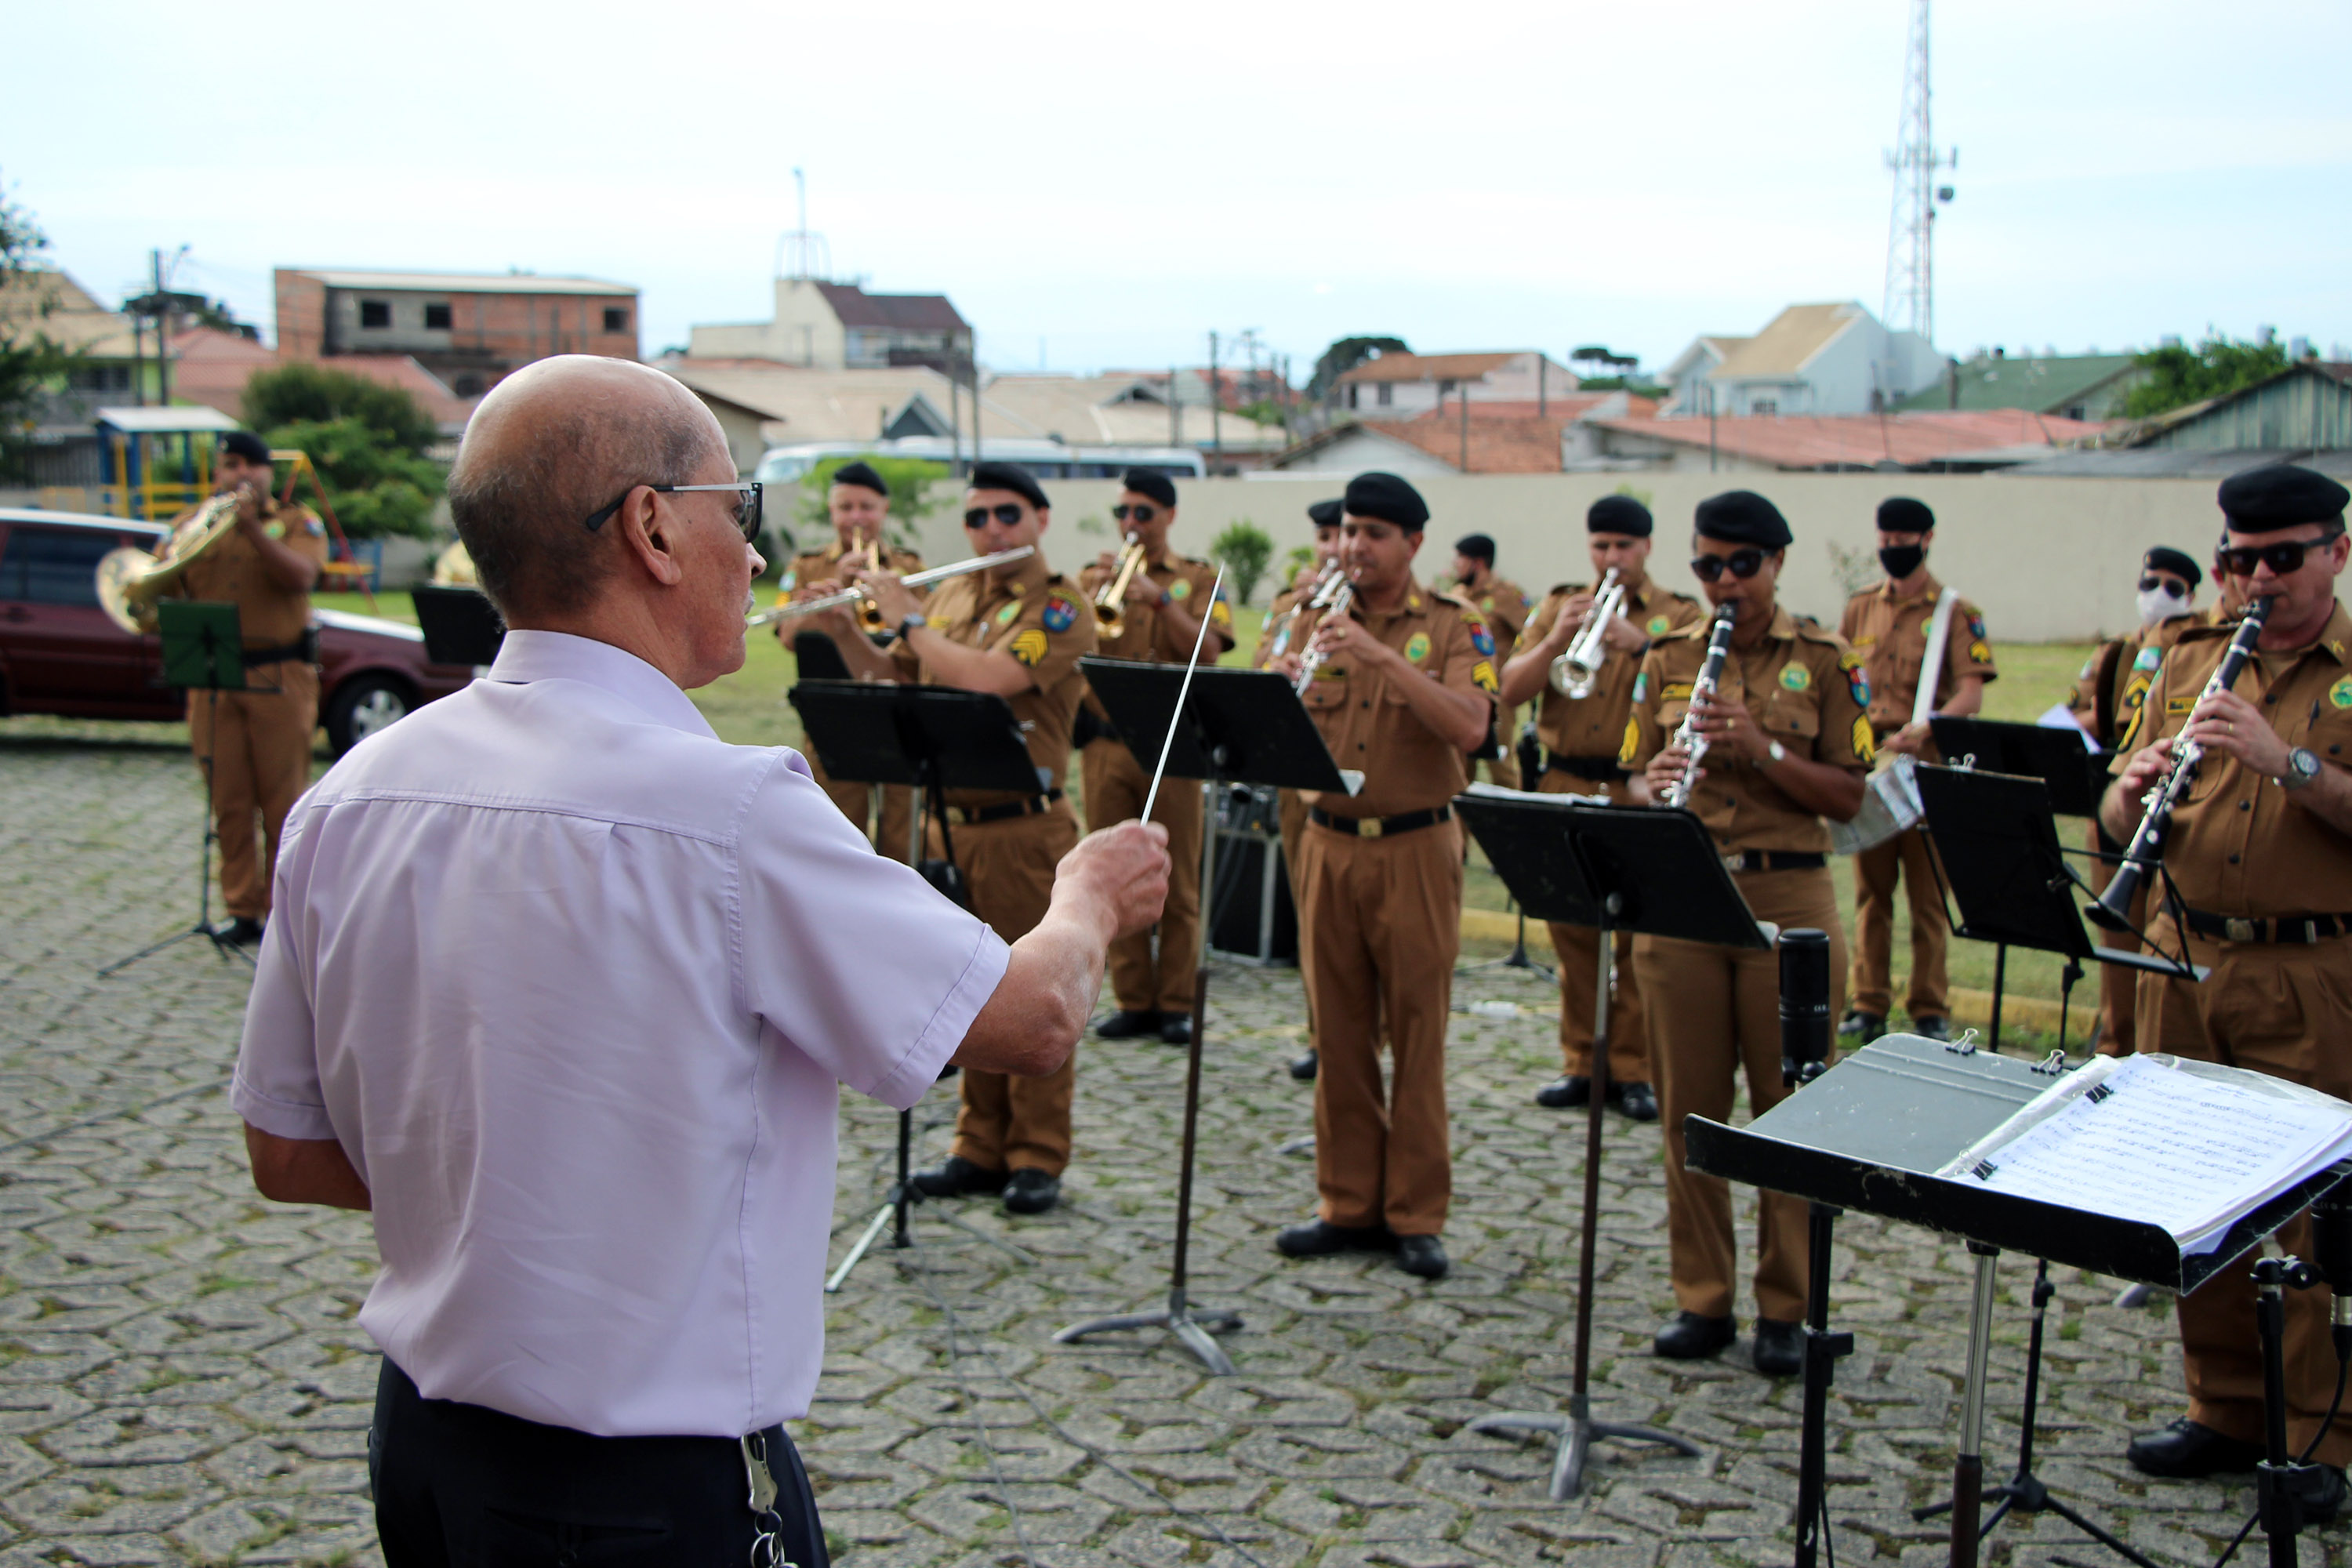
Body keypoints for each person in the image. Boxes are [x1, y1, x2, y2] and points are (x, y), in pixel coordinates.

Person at [231, 356, 1171, 1565]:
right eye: (745, 513)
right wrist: (1088, 896)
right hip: (636, 1494)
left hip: (423, 1450)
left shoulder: (351, 796)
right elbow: (1030, 1020)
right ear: (654, 528)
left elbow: (289, 1151)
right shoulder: (729, 812)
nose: (763, 559)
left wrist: (509, 1192)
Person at [2103, 463, 2352, 1506]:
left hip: (2311, 967)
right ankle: (2222, 1403)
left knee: (2303, 1213)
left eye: (2283, 559)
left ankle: (2318, 1440)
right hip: (2184, 952)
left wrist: (2282, 760)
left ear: (2336, 552)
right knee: (2188, 1194)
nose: (2259, 581)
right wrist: (2128, 792)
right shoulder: (2187, 656)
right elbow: (2118, 825)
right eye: (2239, 562)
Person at [1622, 490, 1869, 1376]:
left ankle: (1788, 1305)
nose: (1724, 582)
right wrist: (1656, 779)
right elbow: (1635, 785)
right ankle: (1702, 1296)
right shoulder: (1668, 655)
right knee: (1690, 1107)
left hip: (1788, 896)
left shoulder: (1828, 659)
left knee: (1791, 1111)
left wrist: (1760, 745)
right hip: (1686, 894)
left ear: (1777, 563)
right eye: (1706, 566)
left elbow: (1852, 798)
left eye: (1741, 565)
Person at [831, 459, 1101, 1218]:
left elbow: (986, 680)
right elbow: (901, 677)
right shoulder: (951, 593)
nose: (990, 531)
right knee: (966, 990)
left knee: (1034, 992)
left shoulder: (1060, 609)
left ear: (1041, 521)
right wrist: (845, 626)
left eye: (1007, 516)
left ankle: (1037, 1153)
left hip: (1023, 824)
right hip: (952, 818)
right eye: (977, 518)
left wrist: (910, 618)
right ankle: (978, 1146)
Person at [1265, 471, 1499, 1282]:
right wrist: (1282, 671)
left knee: (1417, 1030)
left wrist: (1379, 655)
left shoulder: (1455, 626)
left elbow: (1471, 725)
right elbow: (1261, 715)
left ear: (1413, 544)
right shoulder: (1307, 614)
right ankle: (1346, 1201)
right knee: (1338, 1030)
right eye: (1348, 530)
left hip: (1415, 845)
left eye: (1373, 533)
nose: (1353, 546)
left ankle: (1416, 1212)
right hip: (1327, 841)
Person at [1499, 494, 1704, 1121]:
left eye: (1622, 546)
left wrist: (1641, 645)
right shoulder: (1561, 603)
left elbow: (1697, 686)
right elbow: (1508, 688)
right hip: (1564, 781)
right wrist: (1559, 637)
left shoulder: (1679, 614)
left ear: (1646, 548)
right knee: (1574, 934)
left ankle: (1634, 1067)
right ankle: (1580, 1063)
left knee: (1638, 939)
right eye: (1600, 546)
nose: (1610, 559)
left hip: (1634, 785)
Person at [1078, 468, 1233, 1044]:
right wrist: (1093, 595)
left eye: (1142, 513)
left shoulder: (1198, 578)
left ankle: (1176, 1003)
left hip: (1173, 748)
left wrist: (1162, 600)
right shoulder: (1096, 577)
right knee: (1108, 874)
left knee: (1180, 878)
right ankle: (1132, 999)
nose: (1130, 525)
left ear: (1168, 515)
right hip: (1104, 744)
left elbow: (1212, 650)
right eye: (1123, 513)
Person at [158, 430, 329, 946]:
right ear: (218, 474)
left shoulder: (296, 522)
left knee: (282, 801)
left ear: (267, 474)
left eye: (250, 467)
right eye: (230, 466)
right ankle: (241, 908)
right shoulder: (191, 525)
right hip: (213, 681)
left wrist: (254, 529)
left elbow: (302, 576)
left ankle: (284, 912)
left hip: (279, 677)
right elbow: (162, 585)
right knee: (228, 800)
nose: (240, 476)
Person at [1835, 498, 1995, 1044]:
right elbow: (1845, 681)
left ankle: (1930, 1006)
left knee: (1927, 899)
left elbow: (1971, 694)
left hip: (1926, 769)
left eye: (1905, 538)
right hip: (1872, 768)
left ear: (1927, 539)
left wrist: (1926, 728)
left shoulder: (1956, 611)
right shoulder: (1859, 608)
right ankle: (1868, 1002)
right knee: (1870, 895)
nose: (1893, 548)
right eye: (1886, 537)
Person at [2071, 546, 2204, 1054]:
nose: (2158, 595)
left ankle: (2150, 1041)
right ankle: (2115, 1036)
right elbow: (2083, 707)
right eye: (2151, 583)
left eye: (2173, 587)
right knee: (2116, 936)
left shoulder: (2193, 644)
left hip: (2173, 800)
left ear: (2192, 595)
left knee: (2162, 929)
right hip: (2114, 791)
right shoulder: (2118, 649)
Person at [777, 459, 927, 862]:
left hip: (898, 719)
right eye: (846, 508)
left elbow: (927, 637)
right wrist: (837, 590)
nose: (856, 518)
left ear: (884, 510)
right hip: (831, 719)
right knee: (837, 842)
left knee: (903, 842)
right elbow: (787, 638)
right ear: (832, 512)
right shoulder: (806, 567)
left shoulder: (910, 568)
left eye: (866, 507)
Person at [1255, 497, 1345, 1082]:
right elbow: (1259, 662)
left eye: (1342, 534)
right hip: (1296, 772)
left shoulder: (1364, 608)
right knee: (1311, 910)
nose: (1332, 546)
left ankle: (1359, 1032)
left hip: (1350, 775)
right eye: (1324, 535)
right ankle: (1322, 1029)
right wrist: (1277, 665)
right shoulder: (1293, 604)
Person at [1451, 533, 1531, 788]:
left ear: (1478, 563)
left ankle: (1512, 824)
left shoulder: (1506, 596)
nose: (1456, 565)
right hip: (1462, 692)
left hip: (1497, 695)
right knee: (1461, 768)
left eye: (1461, 559)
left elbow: (1531, 635)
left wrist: (1515, 671)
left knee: (1500, 766)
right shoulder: (1457, 595)